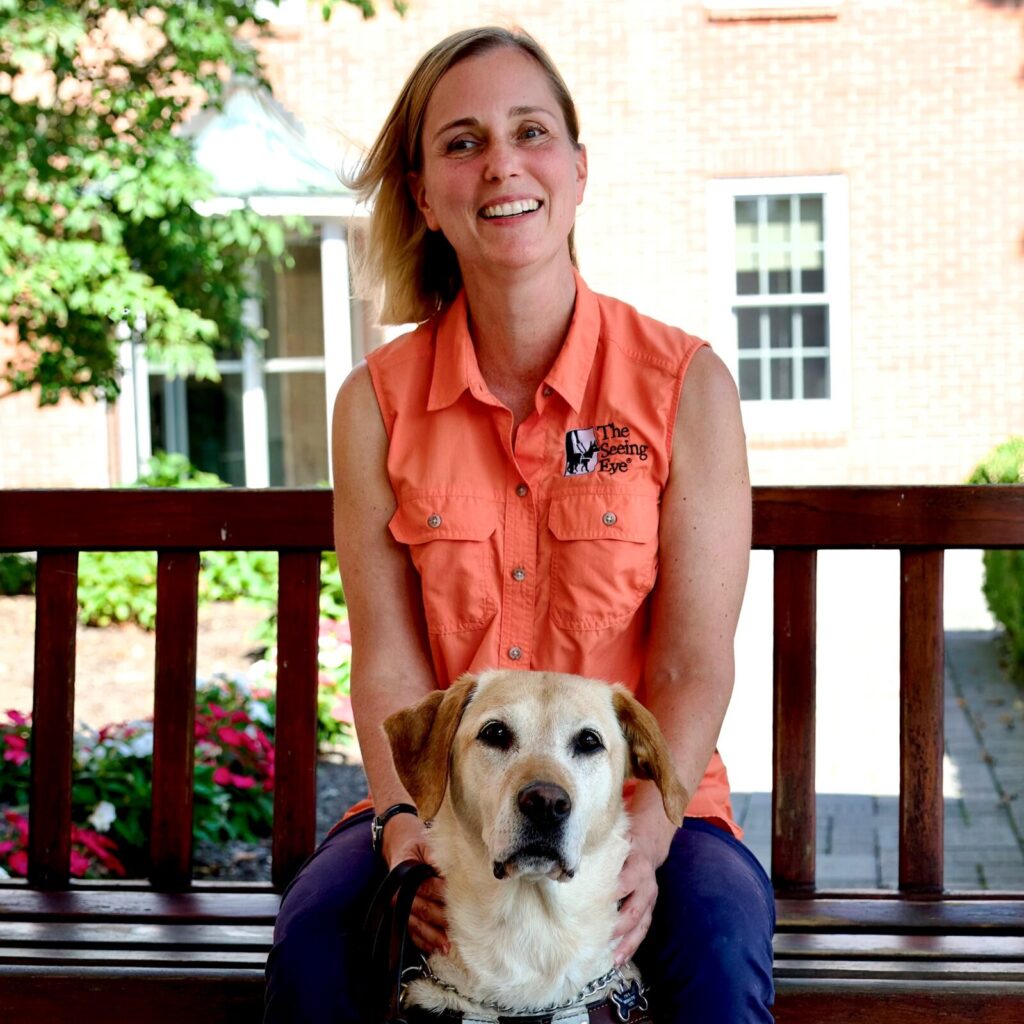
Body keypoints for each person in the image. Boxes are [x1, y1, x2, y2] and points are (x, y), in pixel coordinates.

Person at [264, 25, 775, 1024]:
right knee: (317, 946)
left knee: (715, 949)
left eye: (529, 132)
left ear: (576, 172)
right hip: (449, 799)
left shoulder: (684, 386)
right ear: (423, 194)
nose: (501, 163)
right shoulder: (376, 402)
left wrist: (644, 838)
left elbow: (690, 665)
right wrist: (408, 822)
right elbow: (389, 663)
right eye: (461, 142)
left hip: (639, 804)